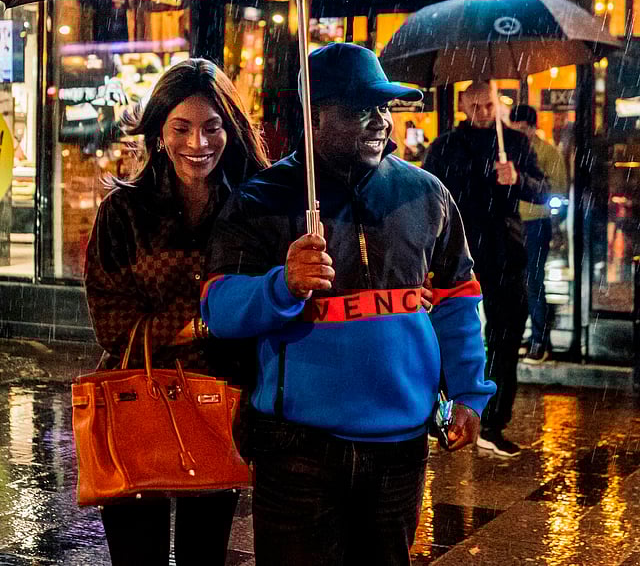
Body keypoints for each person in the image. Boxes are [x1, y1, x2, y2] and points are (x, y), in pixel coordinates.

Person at [201, 43, 495, 566]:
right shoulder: (259, 199)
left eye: (384, 107)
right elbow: (219, 310)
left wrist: (470, 392)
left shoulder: (425, 194)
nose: (381, 120)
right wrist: (281, 285)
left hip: (401, 453)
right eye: (362, 108)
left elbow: (457, 299)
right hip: (296, 452)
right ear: (313, 115)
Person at [84, 57, 269, 566]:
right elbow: (111, 323)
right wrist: (203, 319)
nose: (198, 144)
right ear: (158, 133)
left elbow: (265, 303)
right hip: (136, 407)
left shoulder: (251, 210)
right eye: (181, 128)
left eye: (212, 128)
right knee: (136, 555)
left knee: (203, 557)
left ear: (230, 129)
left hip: (221, 410)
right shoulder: (124, 212)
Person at [423, 81, 548, 459]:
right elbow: (428, 195)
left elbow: (543, 190)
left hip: (504, 250)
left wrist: (517, 179)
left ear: (498, 104)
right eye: (475, 105)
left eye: (489, 104)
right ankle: (445, 412)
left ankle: (493, 420)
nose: (482, 111)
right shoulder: (445, 146)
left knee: (506, 333)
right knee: (447, 332)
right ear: (463, 105)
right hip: (455, 253)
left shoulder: (515, 143)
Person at [510, 104, 568, 364]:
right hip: (512, 222)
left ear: (533, 128)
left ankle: (538, 340)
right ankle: (523, 334)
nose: (520, 134)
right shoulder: (508, 150)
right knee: (514, 283)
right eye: (515, 129)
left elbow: (557, 189)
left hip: (535, 223)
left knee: (533, 281)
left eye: (523, 129)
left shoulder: (547, 152)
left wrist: (525, 181)